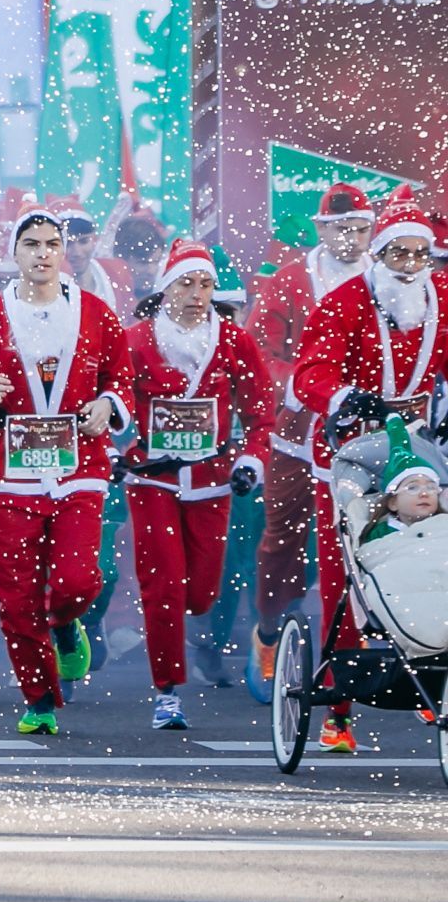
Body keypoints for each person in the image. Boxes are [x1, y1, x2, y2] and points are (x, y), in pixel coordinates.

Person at [0, 209, 132, 736]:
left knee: (78, 578)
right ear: (15, 253)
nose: (43, 253)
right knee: (15, 594)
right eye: (31, 244)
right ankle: (39, 697)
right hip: (6, 472)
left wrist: (107, 405)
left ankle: (64, 624)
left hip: (78, 469)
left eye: (52, 243)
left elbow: (120, 378)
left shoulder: (96, 313)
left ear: (64, 250)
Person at [290, 198, 448, 754]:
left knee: (436, 551)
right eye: (397, 252)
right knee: (346, 567)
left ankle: (434, 666)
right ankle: (338, 709)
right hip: (353, 449)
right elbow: (311, 371)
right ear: (377, 253)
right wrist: (341, 395)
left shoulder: (442, 299)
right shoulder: (345, 301)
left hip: (421, 450)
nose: (408, 262)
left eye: (419, 253)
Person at [120, 240, 275, 730]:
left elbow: (261, 414)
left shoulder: (234, 341)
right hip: (153, 480)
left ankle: (189, 624)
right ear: (165, 289)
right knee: (162, 582)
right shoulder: (136, 341)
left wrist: (251, 461)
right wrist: (115, 455)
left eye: (205, 284)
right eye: (185, 283)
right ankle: (168, 691)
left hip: (212, 481)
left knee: (201, 592)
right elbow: (112, 404)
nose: (196, 293)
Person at [243, 183, 372, 699]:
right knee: (284, 545)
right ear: (322, 230)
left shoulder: (382, 281)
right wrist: (313, 385)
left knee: (375, 540)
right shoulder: (292, 281)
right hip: (297, 440)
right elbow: (258, 353)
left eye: (361, 228)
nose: (352, 238)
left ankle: (392, 650)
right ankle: (270, 632)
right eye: (342, 229)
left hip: (365, 441)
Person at [359, 416, 441, 543]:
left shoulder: (442, 527)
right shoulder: (380, 535)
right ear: (393, 503)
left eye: (431, 488)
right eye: (413, 488)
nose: (424, 494)